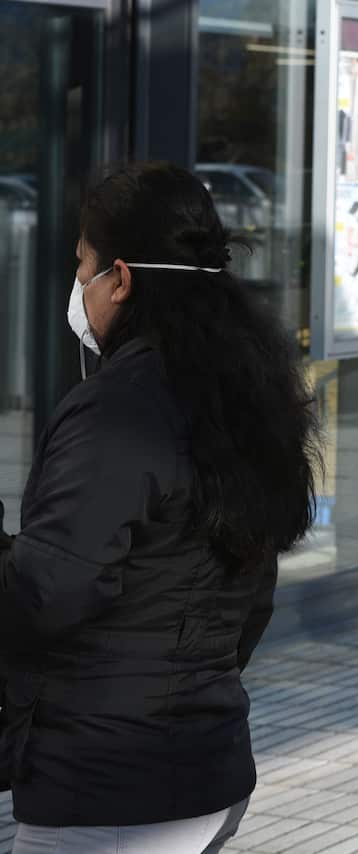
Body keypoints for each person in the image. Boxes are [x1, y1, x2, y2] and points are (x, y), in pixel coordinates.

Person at [0, 162, 320, 853]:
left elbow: (47, 592)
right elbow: (250, 599)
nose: (76, 287)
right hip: (206, 767)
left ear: (120, 277)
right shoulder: (243, 395)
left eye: (81, 265)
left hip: (107, 790)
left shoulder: (120, 408)